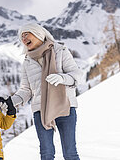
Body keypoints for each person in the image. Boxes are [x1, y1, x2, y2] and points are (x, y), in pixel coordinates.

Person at [6, 23, 83, 160]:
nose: (23, 39)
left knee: (70, 153)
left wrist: (61, 78)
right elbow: (26, 90)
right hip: (41, 110)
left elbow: (76, 75)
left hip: (65, 105)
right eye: (21, 37)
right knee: (46, 153)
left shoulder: (60, 50)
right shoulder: (27, 61)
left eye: (26, 34)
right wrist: (10, 102)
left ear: (38, 33)